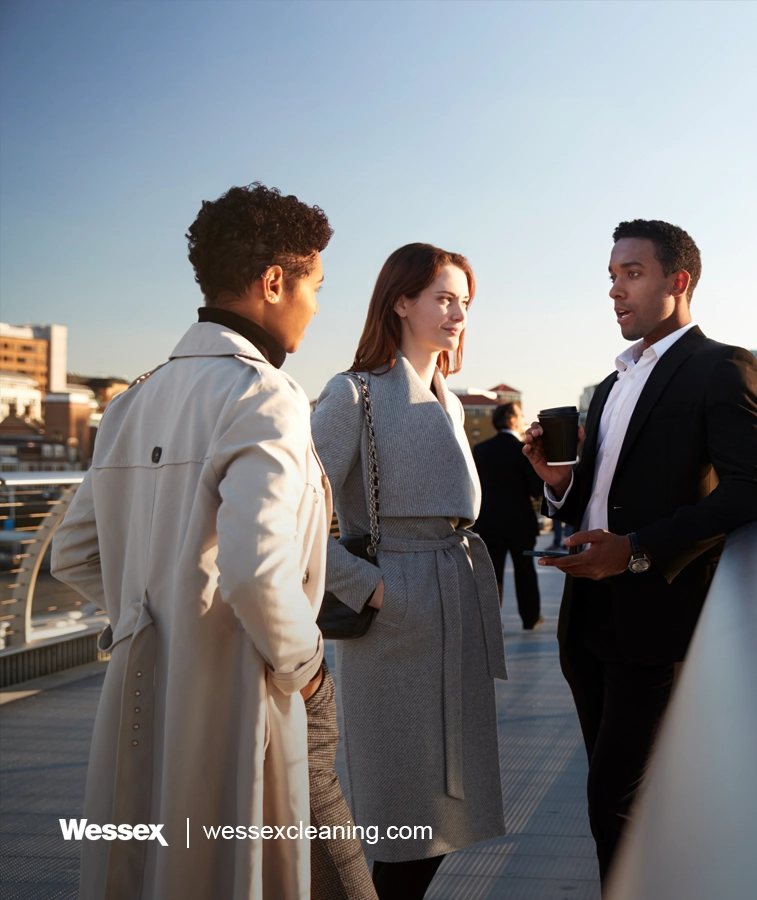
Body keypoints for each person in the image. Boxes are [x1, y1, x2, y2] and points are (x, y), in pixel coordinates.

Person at [52, 184, 373, 899]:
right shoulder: (266, 396)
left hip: (140, 696)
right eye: (316, 286)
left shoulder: (135, 399)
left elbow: (74, 552)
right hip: (244, 695)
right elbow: (258, 570)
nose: (317, 306)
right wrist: (308, 668)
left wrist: (153, 620)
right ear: (273, 283)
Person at [524, 219, 757, 889]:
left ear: (679, 281)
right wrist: (561, 489)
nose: (615, 290)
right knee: (622, 799)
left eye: (631, 274)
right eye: (611, 276)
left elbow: (756, 491)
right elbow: (604, 501)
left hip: (659, 621)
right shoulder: (609, 387)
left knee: (614, 801)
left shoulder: (721, 366)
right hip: (588, 624)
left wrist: (635, 551)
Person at [311, 243, 507, 900]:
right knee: (407, 817)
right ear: (401, 300)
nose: (459, 314)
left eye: (465, 303)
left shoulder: (449, 402)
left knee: (447, 813)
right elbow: (289, 519)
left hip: (452, 602)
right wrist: (373, 588)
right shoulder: (352, 395)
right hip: (395, 619)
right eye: (444, 298)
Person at [472, 401, 545, 629]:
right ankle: (530, 618)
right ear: (513, 420)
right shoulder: (523, 450)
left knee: (492, 575)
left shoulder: (481, 449)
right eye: (521, 415)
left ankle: (492, 623)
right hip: (520, 523)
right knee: (525, 572)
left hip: (488, 522)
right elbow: (536, 489)